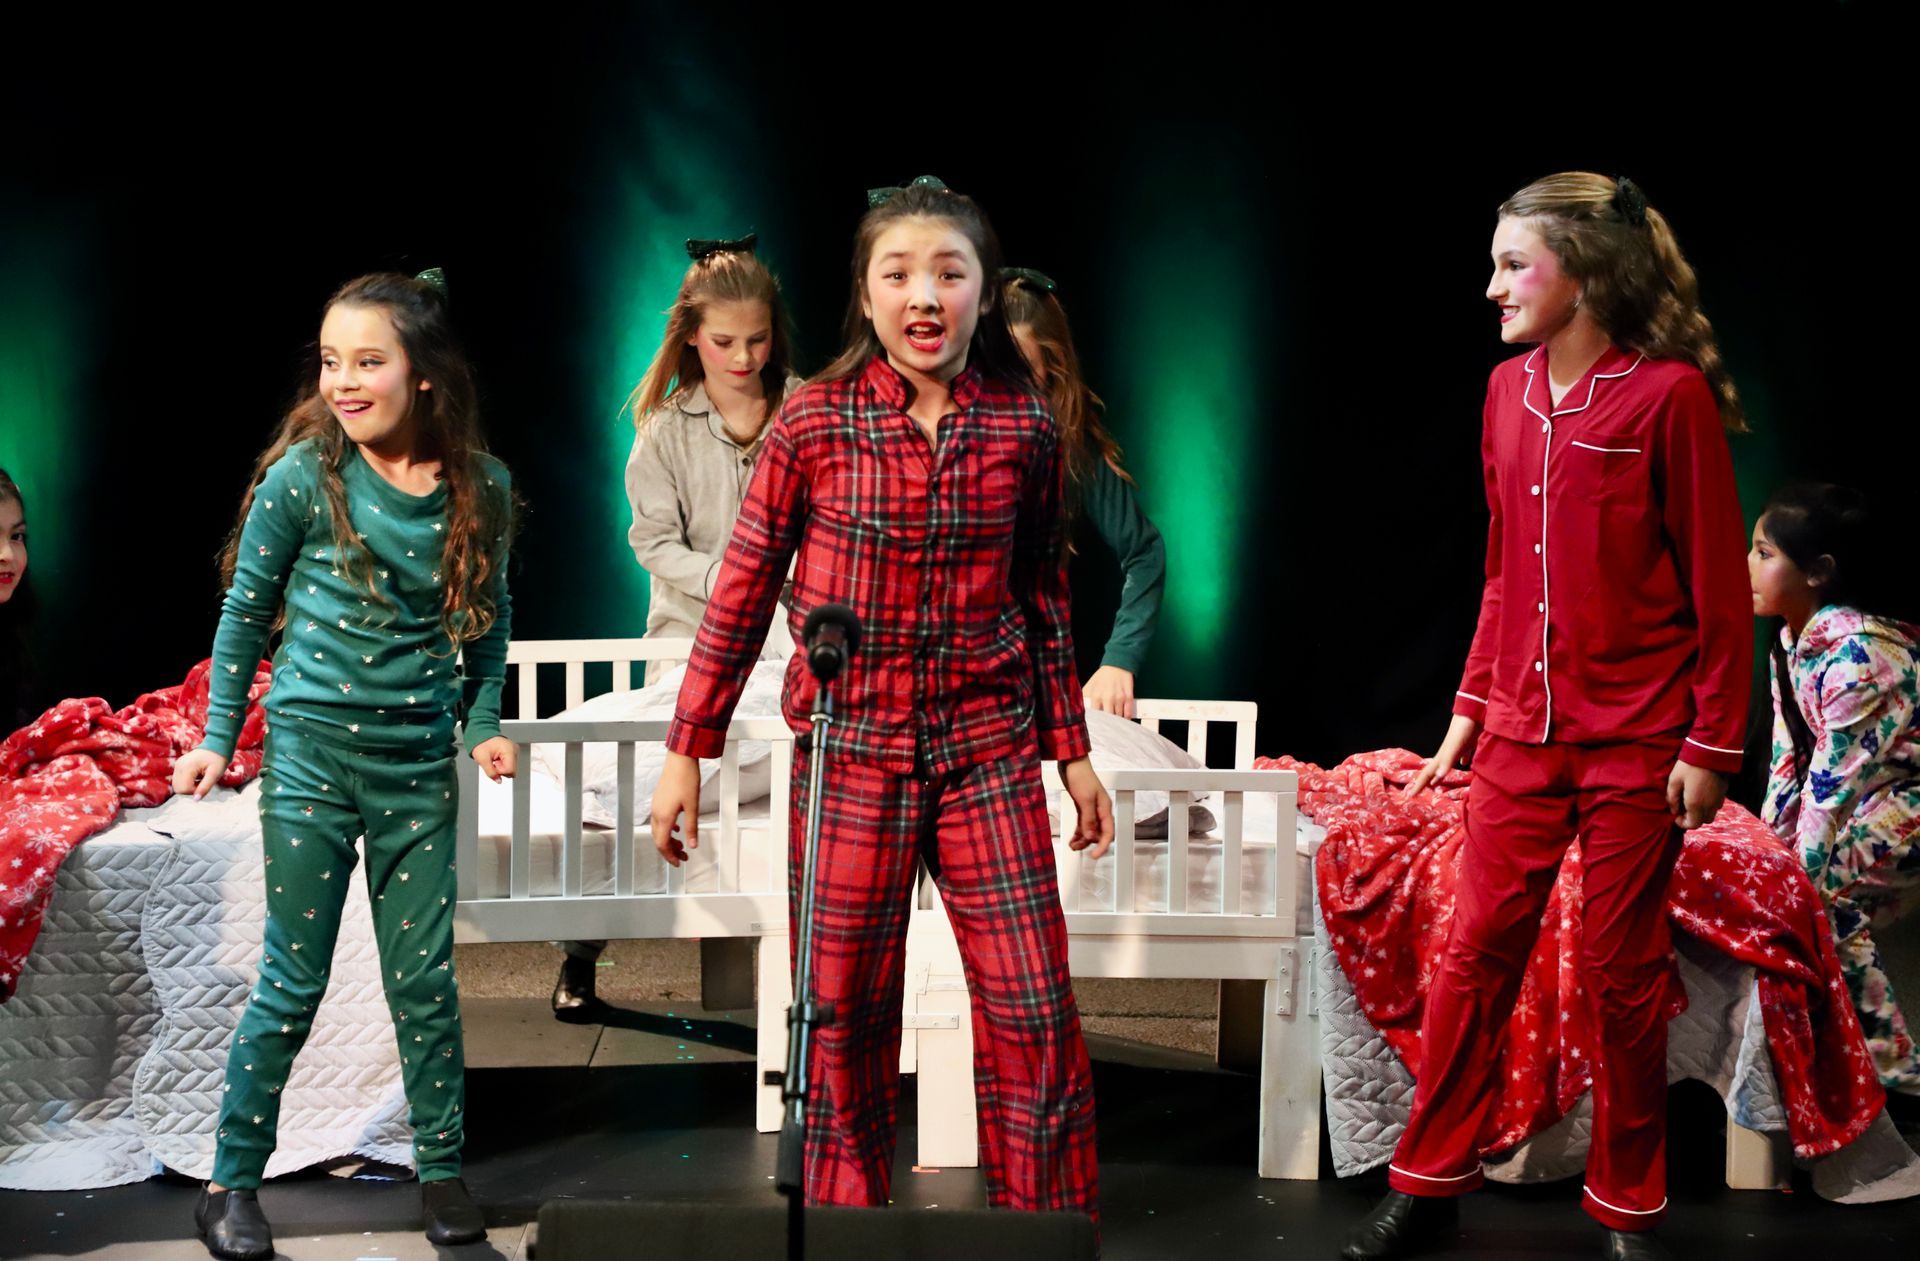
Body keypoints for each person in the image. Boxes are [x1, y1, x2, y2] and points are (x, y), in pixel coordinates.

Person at [651, 176, 1111, 1219]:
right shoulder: (815, 420)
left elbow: (1042, 593)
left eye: (949, 272)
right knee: (844, 1015)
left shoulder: (1022, 427)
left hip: (987, 751)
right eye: (898, 273)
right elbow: (744, 584)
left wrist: (1070, 747)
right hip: (853, 751)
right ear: (865, 297)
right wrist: (691, 746)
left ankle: (1042, 1237)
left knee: (1034, 1008)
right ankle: (845, 1230)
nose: (925, 294)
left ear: (982, 292)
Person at [1346, 174, 1751, 1261]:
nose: (1493, 287)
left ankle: (1628, 1209)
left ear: (1587, 273)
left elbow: (1718, 585)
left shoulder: (1666, 397)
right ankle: (1428, 1187)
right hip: (1522, 731)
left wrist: (1711, 742)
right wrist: (1472, 707)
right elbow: (1498, 573)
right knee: (1474, 950)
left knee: (1623, 978)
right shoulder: (1503, 395)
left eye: (1514, 264)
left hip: (1638, 737)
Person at [172, 271, 514, 1260]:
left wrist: (484, 720)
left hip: (414, 766)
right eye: (332, 362)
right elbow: (246, 610)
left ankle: (442, 1169)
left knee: (423, 981)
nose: (345, 381)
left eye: (370, 361)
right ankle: (232, 1181)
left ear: (425, 378)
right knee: (294, 976)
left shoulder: (478, 488)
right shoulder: (307, 477)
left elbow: (485, 626)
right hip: (314, 760)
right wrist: (216, 733)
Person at [550, 236, 803, 1020]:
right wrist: (732, 581)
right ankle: (580, 951)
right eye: (724, 341)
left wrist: (790, 588)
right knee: (649, 788)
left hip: (789, 637)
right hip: (689, 638)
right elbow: (652, 541)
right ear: (693, 335)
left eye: (757, 339)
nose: (742, 355)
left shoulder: (805, 409)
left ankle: (800, 958)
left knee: (781, 779)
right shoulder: (664, 426)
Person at [1751, 482, 1920, 1109]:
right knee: (1795, 893)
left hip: (1906, 803)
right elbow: (1787, 761)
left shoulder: (1859, 655)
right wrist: (1765, 851)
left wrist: (1793, 874)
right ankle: (1842, 1073)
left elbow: (1831, 784)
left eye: (1764, 553)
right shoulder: (1790, 645)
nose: (1748, 565)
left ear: (1818, 573)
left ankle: (1897, 1080)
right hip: (1870, 805)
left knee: (1822, 899)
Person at [1002, 268, 1164, 719]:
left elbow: (1144, 551)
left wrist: (1119, 658)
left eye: (1024, 375)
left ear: (1048, 373)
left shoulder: (1067, 445)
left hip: (1024, 683)